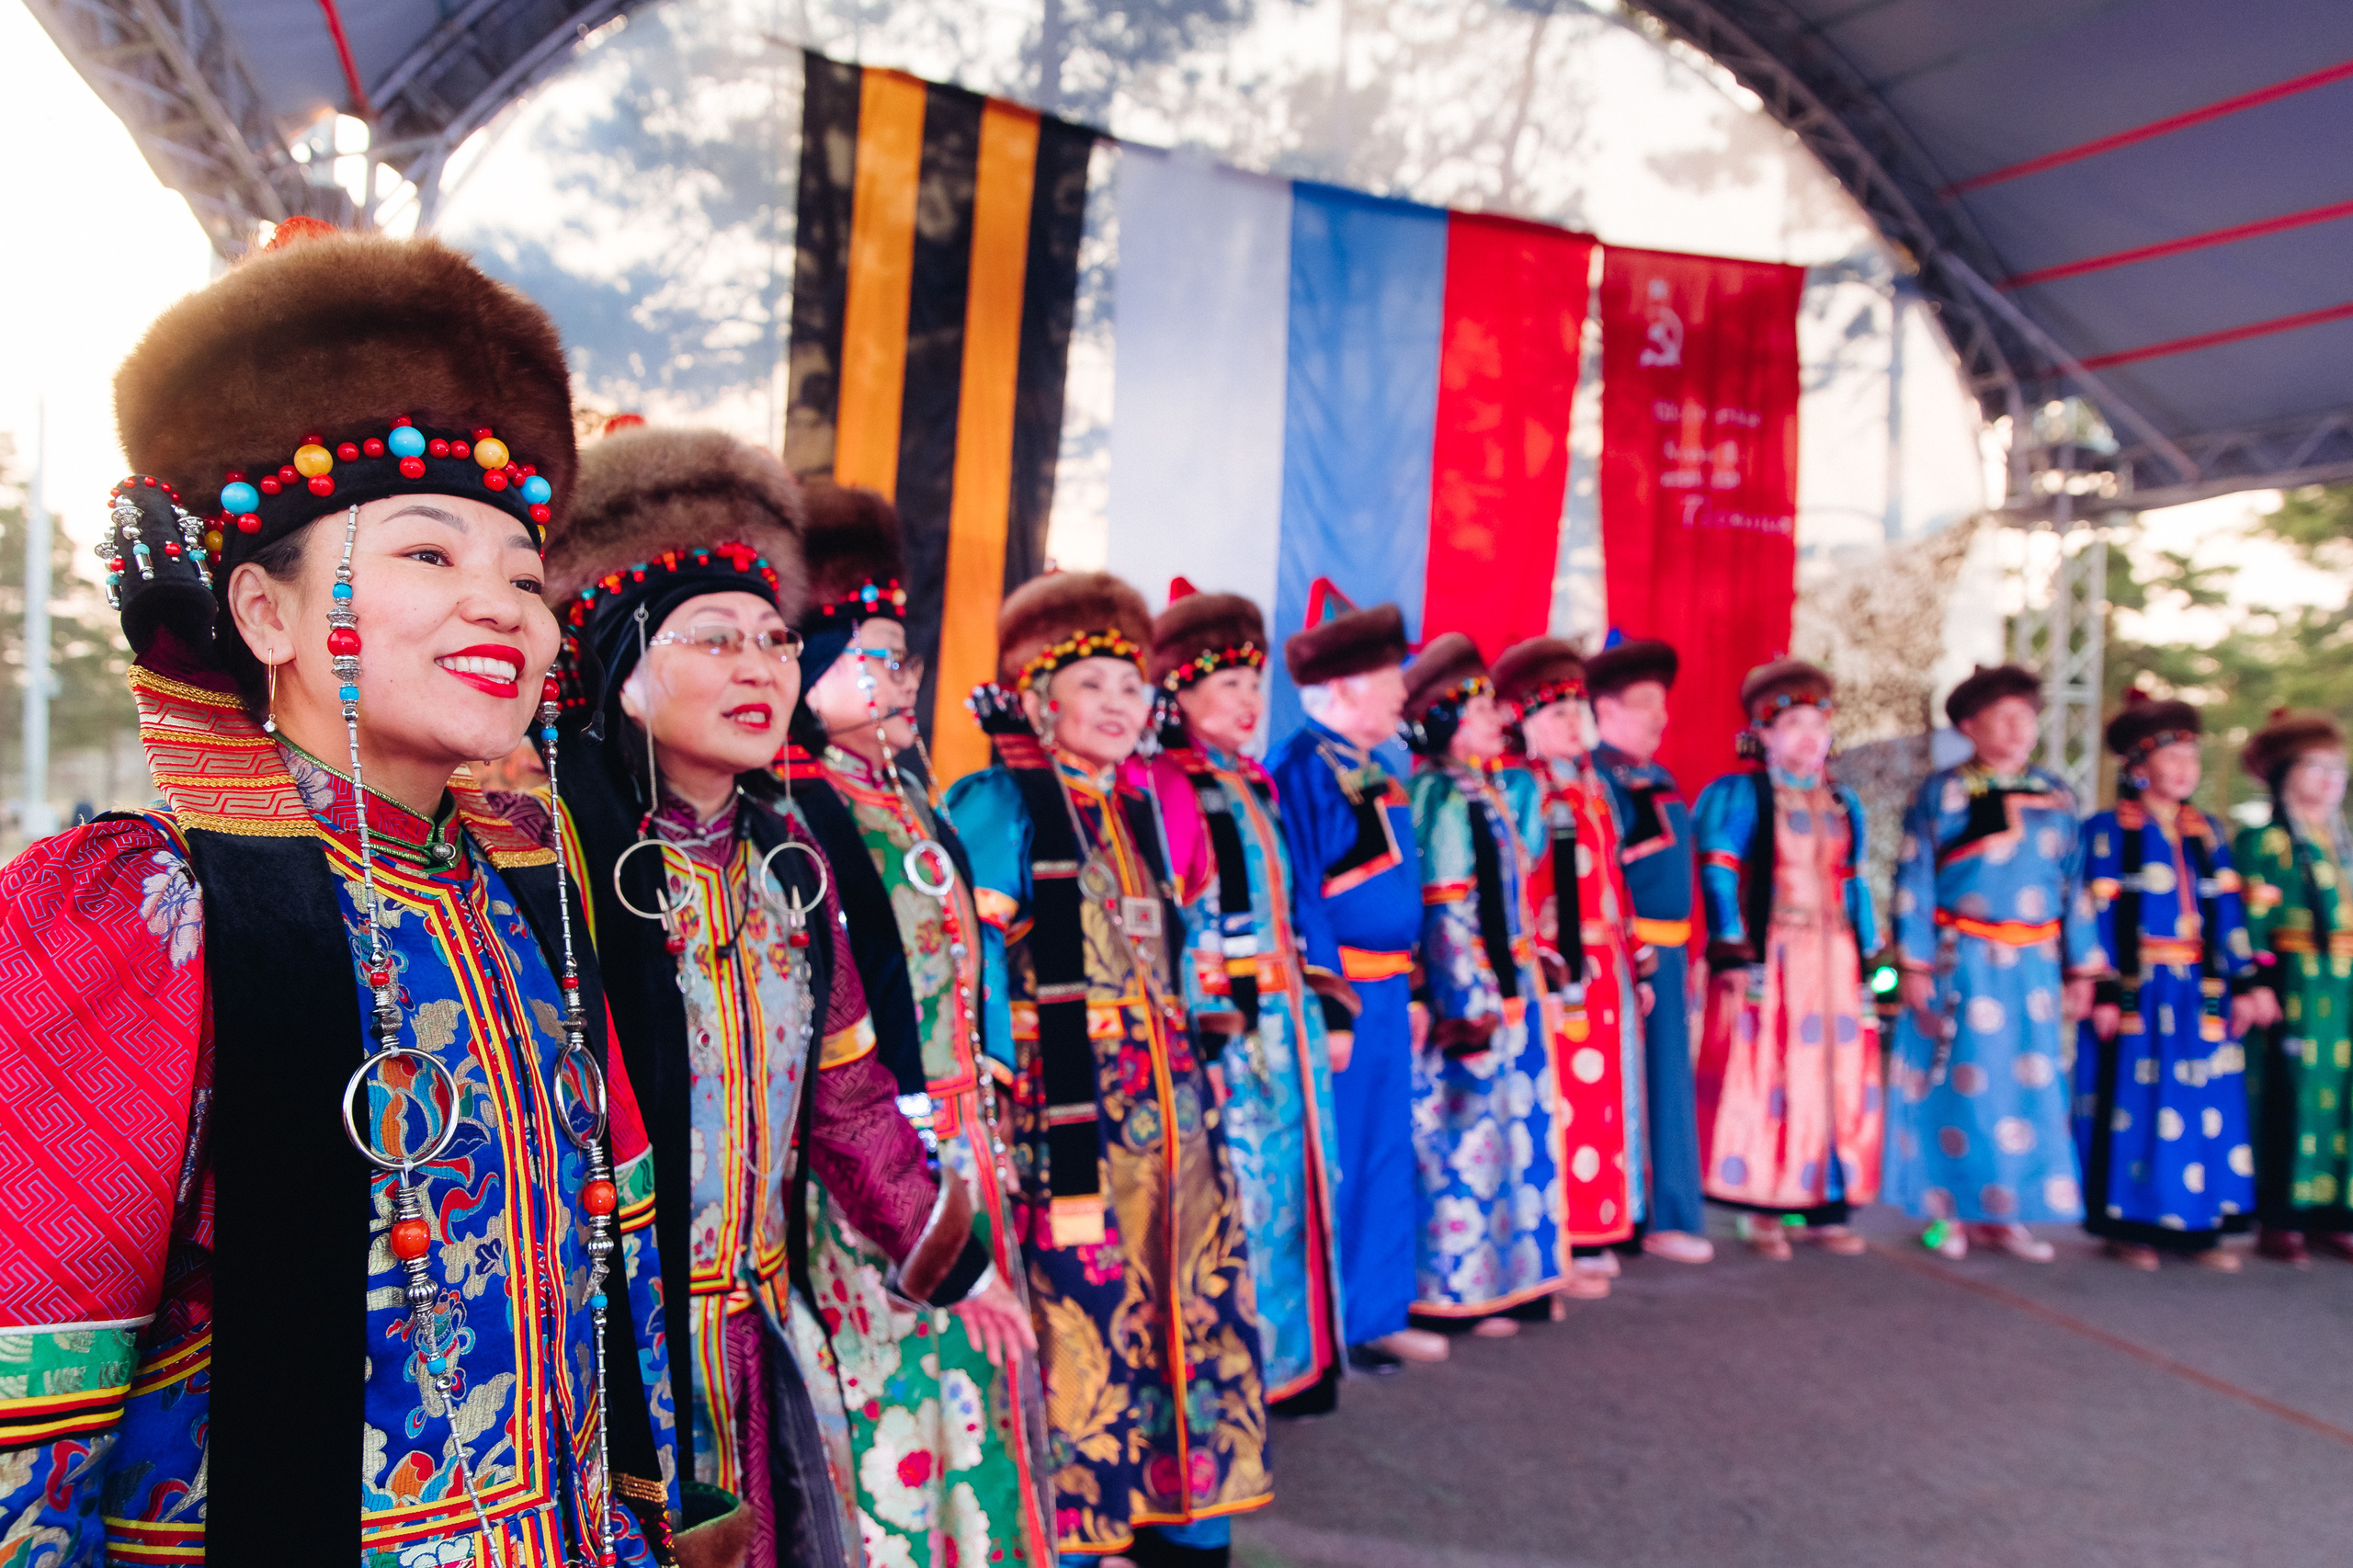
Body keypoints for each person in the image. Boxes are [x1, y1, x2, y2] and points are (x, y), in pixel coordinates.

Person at [0, 227, 677, 1564]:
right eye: (430, 554)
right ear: (264, 611)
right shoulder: (144, 918)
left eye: (527, 576)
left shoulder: (527, 908)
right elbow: (28, 1407)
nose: (502, 606)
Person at [538, 427, 1033, 1567]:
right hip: (605, 1354)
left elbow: (850, 1104)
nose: (761, 666)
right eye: (714, 638)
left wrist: (951, 1255)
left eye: (772, 638)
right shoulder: (544, 860)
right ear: (619, 662)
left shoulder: (783, 866)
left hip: (757, 1345)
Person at [945, 572, 1268, 1567]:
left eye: (1134, 687)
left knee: (1182, 1294)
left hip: (1170, 1104)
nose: (1123, 706)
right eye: (1094, 685)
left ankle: (1177, 1512)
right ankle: (1082, 1528)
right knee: (1083, 1307)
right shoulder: (1000, 800)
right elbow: (974, 959)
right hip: (1065, 1110)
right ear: (1036, 699)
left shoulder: (1134, 807)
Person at [783, 477, 1056, 1560]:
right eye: (872, 655)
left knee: (973, 1383)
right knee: (898, 1392)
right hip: (876, 1162)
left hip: (959, 1137)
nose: (897, 678)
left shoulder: (905, 795)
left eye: (900, 658)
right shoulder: (802, 812)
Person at [1150, 581, 1348, 1415]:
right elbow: (1176, 921)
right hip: (1233, 1025)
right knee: (1243, 1192)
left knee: (1303, 1184)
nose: (1246, 702)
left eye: (1253, 685)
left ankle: (1298, 1361)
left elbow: (1298, 904)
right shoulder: (1173, 786)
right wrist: (1207, 1030)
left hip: (1288, 1019)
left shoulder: (1253, 782)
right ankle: (1240, 1371)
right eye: (1226, 685)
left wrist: (1327, 1000)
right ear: (1180, 693)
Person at [1267, 583, 1449, 1370]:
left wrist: (1408, 990)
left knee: (1383, 1149)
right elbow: (1304, 895)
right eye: (1389, 677)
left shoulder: (1381, 768)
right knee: (1337, 1152)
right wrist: (1332, 1003)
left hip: (1388, 989)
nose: (1404, 690)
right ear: (1342, 686)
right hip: (1342, 996)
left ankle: (1376, 1311)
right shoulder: (1301, 770)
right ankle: (1328, 1321)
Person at [1886, 664, 2104, 1261]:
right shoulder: (1944, 791)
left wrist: (2082, 970)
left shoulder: (2057, 792)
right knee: (1958, 1084)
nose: (2018, 729)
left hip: (2034, 964)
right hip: (1964, 959)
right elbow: (1915, 877)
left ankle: (2006, 1213)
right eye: (2003, 717)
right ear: (1969, 726)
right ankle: (1948, 1210)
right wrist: (1915, 963)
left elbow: (2076, 886)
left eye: (2026, 717)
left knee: (2026, 1088)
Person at [1399, 633, 1567, 1331]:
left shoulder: (1488, 788)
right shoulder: (1439, 794)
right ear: (1449, 718)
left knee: (1515, 1132)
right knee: (1464, 1135)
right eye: (1486, 709)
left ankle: (1513, 1277)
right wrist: (1466, 1002)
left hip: (1512, 982)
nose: (1502, 720)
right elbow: (1445, 906)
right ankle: (1453, 1289)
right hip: (1472, 994)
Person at [1690, 659, 1881, 1259]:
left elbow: (1855, 883)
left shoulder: (1842, 801)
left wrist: (1875, 955)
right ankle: (1763, 1205)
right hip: (1777, 952)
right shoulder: (1740, 794)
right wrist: (1732, 947)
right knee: (1773, 1073)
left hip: (1836, 957)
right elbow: (1719, 874)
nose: (1809, 735)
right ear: (1764, 733)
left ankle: (1828, 1202)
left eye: (1818, 722)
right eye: (1794, 722)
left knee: (1839, 1077)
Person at [2075, 694, 2262, 1272]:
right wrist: (2103, 988)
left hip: (2199, 991)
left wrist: (2249, 982)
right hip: (2139, 989)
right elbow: (2094, 916)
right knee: (2135, 1104)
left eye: (2192, 757)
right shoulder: (2105, 832)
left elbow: (2229, 912)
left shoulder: (2207, 833)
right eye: (2172, 756)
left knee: (2205, 1105)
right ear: (2138, 763)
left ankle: (2198, 1229)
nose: (2186, 769)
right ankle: (2129, 1226)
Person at [1492, 636, 1644, 1299]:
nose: (1572, 724)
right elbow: (1515, 881)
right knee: (1567, 1096)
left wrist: (1635, 952)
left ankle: (1602, 1224)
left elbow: (1612, 875)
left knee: (1607, 1097)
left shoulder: (1595, 786)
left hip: (1605, 957)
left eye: (1578, 711)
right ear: (1522, 721)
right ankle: (1562, 1237)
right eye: (1556, 714)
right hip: (1560, 962)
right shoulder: (1522, 785)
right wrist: (1545, 958)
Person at [1587, 636, 1711, 1263]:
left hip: (1671, 953)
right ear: (1604, 708)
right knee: (1629, 1087)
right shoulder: (1599, 780)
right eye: (1643, 704)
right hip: (1627, 954)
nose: (1660, 718)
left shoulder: (1655, 777)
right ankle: (1639, 1217)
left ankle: (1667, 1210)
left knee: (1667, 1085)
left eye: (1662, 705)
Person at [2233, 711, 2353, 1266]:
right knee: (2289, 1093)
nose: (2332, 779)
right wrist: (2254, 979)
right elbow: (2247, 921)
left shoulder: (2343, 843)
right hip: (2295, 981)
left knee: (2345, 1098)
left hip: (2346, 984)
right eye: (2317, 767)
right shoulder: (2265, 842)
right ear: (2284, 774)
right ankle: (2281, 1216)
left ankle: (2336, 1213)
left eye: (2339, 768)